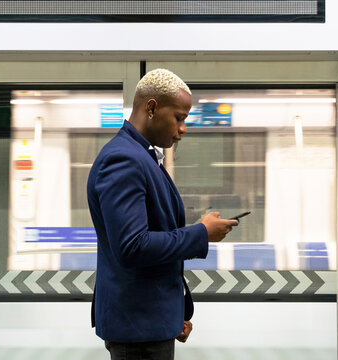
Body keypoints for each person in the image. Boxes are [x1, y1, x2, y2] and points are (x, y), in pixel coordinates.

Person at [86, 68, 238, 360]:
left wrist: (170, 313)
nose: (183, 128)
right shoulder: (124, 159)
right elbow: (133, 247)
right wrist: (201, 233)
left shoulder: (141, 156)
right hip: (137, 329)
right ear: (152, 108)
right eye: (179, 118)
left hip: (149, 321)